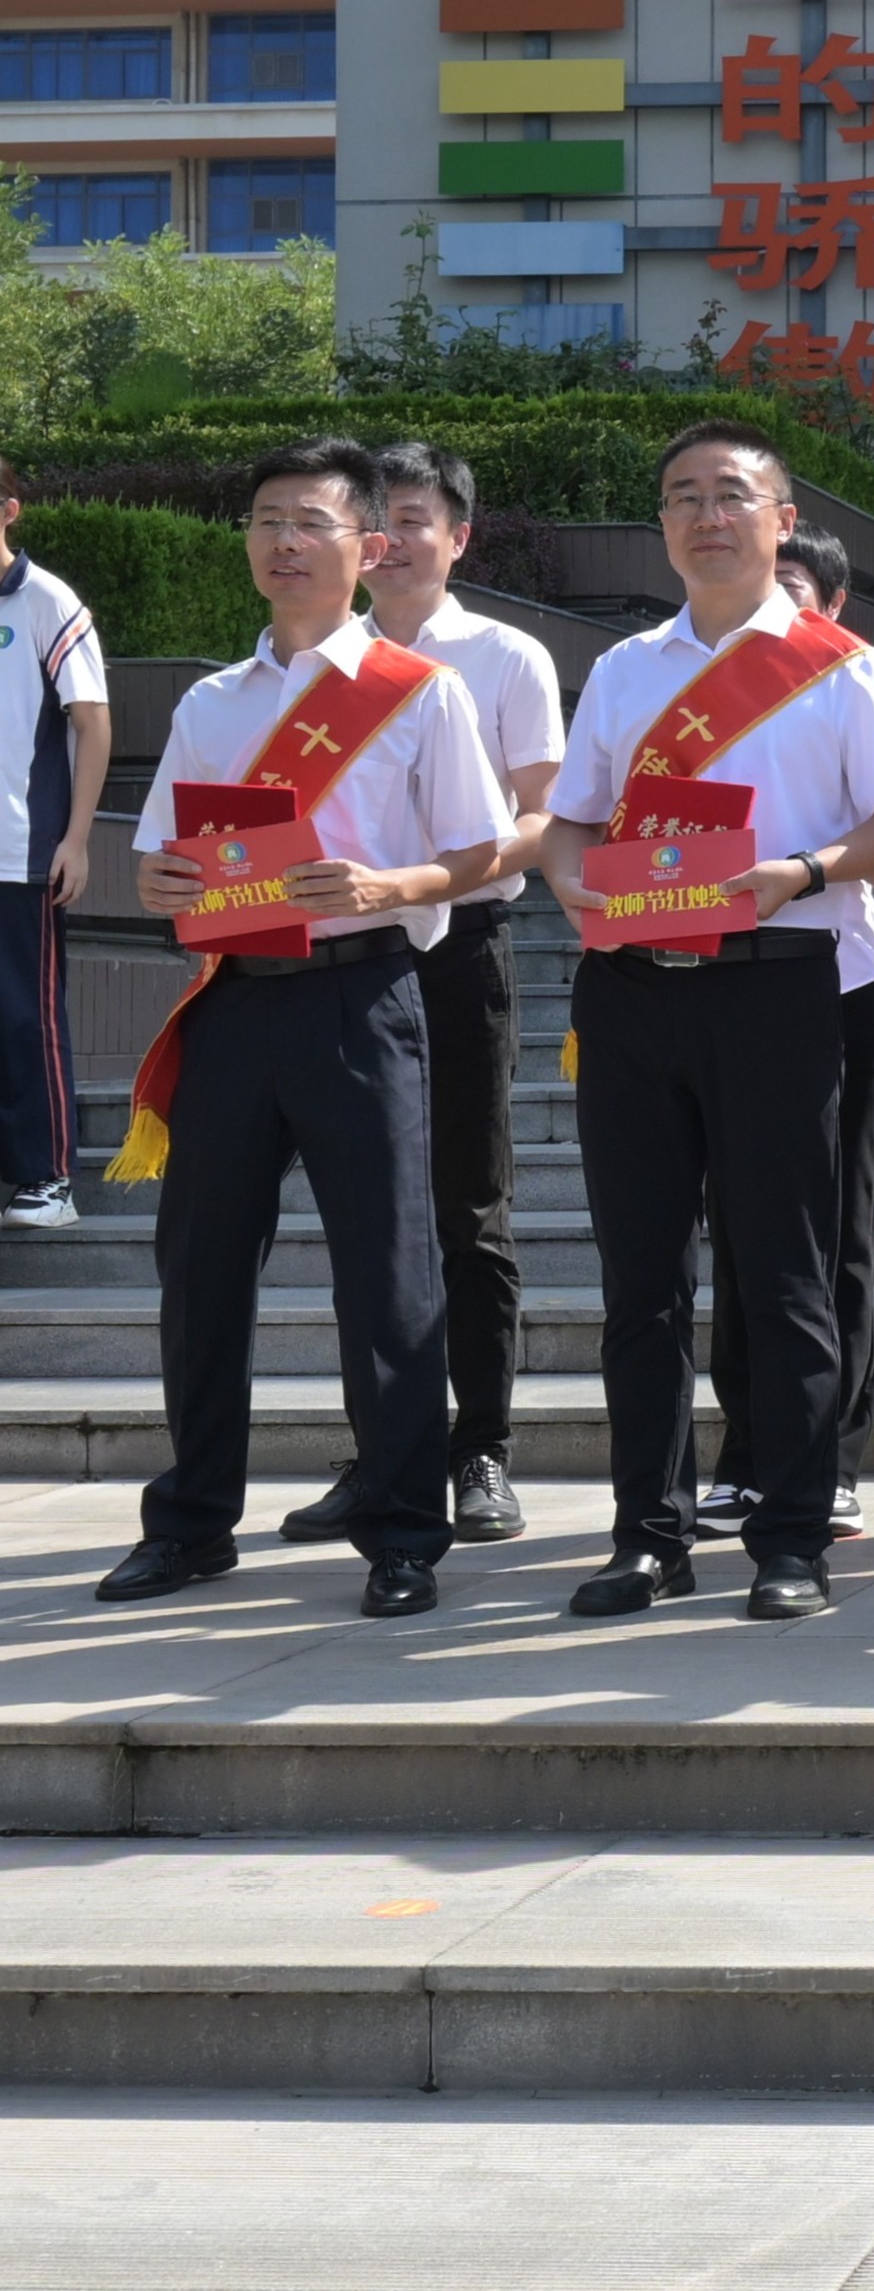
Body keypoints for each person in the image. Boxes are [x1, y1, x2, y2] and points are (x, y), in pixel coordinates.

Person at [94, 438, 510, 1614]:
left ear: (367, 547)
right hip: (235, 998)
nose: (284, 542)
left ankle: (403, 1531)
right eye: (267, 520)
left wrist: (390, 885)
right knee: (201, 1265)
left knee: (388, 1270)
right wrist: (162, 883)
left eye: (311, 522)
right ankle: (192, 1522)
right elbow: (163, 857)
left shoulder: (420, 691)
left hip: (361, 997)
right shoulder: (212, 701)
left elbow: (480, 850)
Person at [542, 422, 874, 1621]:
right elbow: (573, 819)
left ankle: (793, 1535)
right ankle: (647, 1535)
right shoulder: (626, 669)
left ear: (781, 520)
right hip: (635, 986)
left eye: (731, 495)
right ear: (662, 524)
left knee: (783, 1272)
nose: (707, 516)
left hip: (783, 979)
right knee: (641, 1280)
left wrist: (800, 872)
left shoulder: (845, 667)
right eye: (683, 497)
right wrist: (572, 885)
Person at [270, 444, 558, 1552]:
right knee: (368, 1220)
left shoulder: (505, 657)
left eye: (414, 519)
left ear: (459, 536)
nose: (391, 541)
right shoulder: (306, 663)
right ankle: (384, 1455)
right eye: (375, 521)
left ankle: (480, 1449)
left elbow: (540, 818)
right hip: (335, 961)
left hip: (457, 949)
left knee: (467, 1208)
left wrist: (423, 879)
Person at [694, 527, 874, 1547]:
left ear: (832, 604)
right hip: (701, 982)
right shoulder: (668, 682)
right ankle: (747, 1450)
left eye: (794, 585)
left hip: (834, 980)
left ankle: (832, 1456)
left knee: (831, 1231)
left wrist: (803, 868)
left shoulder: (843, 678)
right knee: (739, 1232)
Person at [0, 451, 111, 1233]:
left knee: (24, 1018)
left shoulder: (47, 599)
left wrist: (77, 838)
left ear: (9, 510)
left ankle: (48, 1179)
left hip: (22, 852)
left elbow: (93, 722)